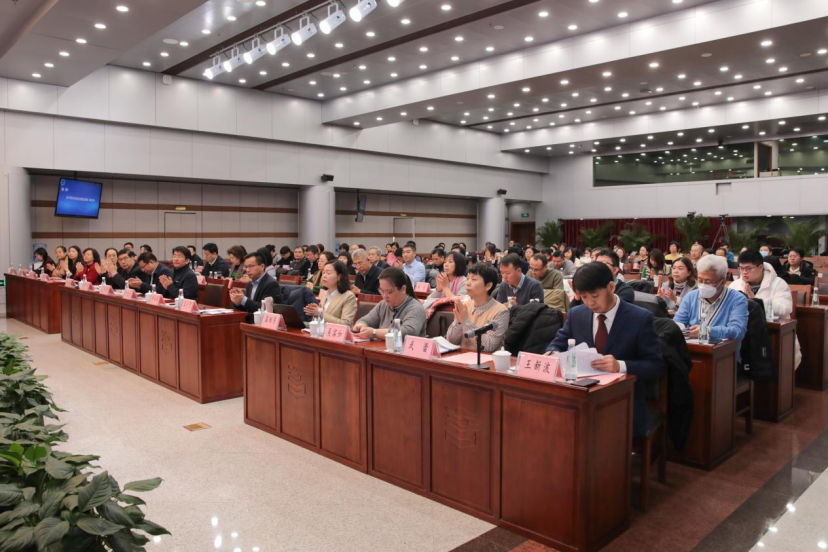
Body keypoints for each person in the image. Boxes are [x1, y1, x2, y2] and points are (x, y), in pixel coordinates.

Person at [545, 262, 664, 438]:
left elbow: (655, 366)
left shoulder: (640, 318)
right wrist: (553, 353)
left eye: (595, 296)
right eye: (584, 297)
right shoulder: (577, 314)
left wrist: (620, 366)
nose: (590, 303)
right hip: (581, 395)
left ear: (611, 287)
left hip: (622, 401)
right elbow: (557, 344)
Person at [674, 255, 748, 360]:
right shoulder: (691, 296)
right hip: (691, 354)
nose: (703, 285)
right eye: (700, 280)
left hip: (724, 358)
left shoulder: (737, 299)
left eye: (708, 282)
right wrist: (679, 328)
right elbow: (677, 323)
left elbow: (737, 331)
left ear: (723, 281)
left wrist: (707, 331)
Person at [445, 263, 509, 352]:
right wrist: (458, 323)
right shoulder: (465, 305)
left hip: (485, 359)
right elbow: (451, 341)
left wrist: (465, 321)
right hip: (462, 357)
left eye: (474, 279)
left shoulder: (501, 311)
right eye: (467, 278)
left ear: (488, 286)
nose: (467, 283)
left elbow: (488, 346)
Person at [353, 268, 427, 340]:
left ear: (403, 289)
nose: (385, 296)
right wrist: (360, 326)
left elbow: (407, 332)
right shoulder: (383, 304)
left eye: (389, 292)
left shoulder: (415, 308)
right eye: (382, 291)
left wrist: (374, 333)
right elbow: (365, 320)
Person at [730, 249, 792, 318]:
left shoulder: (778, 283)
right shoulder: (735, 285)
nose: (744, 272)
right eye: (741, 268)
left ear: (760, 267)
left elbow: (785, 308)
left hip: (770, 324)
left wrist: (755, 301)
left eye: (748, 268)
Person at [229, 252, 282, 323]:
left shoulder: (271, 284)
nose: (247, 270)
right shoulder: (249, 284)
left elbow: (265, 309)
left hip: (263, 323)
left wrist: (244, 300)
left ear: (262, 267)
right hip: (250, 322)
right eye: (246, 267)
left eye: (250, 266)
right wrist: (238, 301)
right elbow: (248, 308)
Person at [304, 261, 358, 326]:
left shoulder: (348, 296)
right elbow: (322, 318)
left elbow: (346, 323)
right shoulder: (325, 293)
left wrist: (320, 313)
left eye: (328, 273)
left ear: (339, 276)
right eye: (323, 273)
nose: (324, 276)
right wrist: (316, 311)